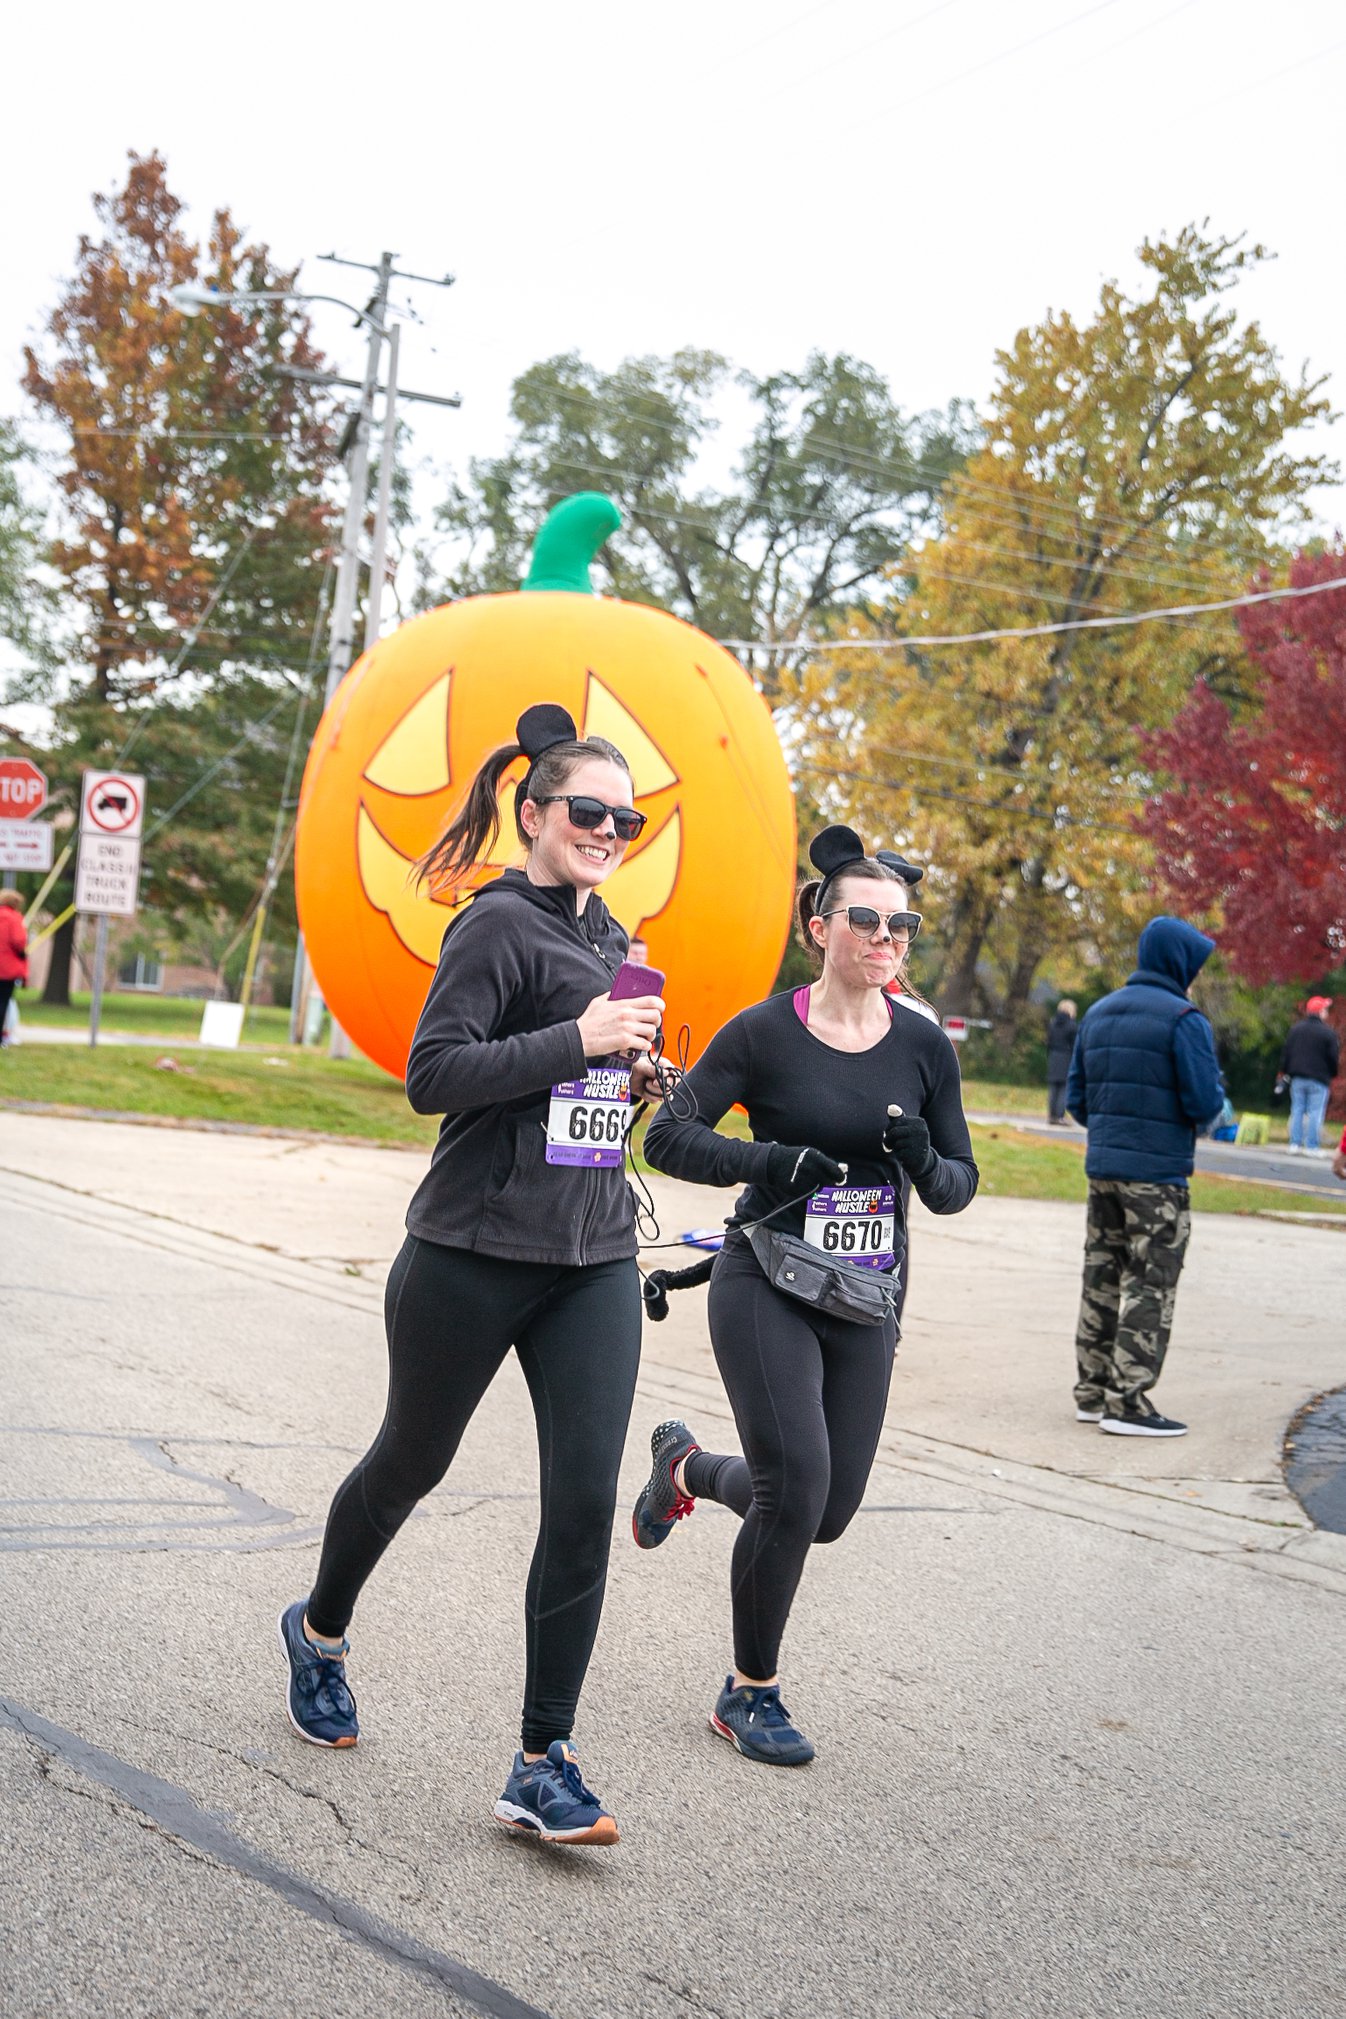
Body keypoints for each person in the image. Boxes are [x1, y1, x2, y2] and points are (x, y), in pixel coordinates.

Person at [278, 703, 668, 1847]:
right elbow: (433, 1073)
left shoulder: (611, 937)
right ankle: (321, 1630)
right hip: (469, 1252)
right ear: (533, 813)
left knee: (584, 1501)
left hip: (592, 1254)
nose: (606, 828)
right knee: (411, 1461)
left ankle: (541, 1761)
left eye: (623, 816)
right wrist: (580, 1044)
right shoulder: (493, 924)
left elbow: (575, 1082)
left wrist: (635, 1072)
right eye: (586, 811)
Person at [635, 826, 978, 1766]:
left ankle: (688, 1469)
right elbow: (668, 1137)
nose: (886, 936)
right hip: (764, 1279)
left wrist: (921, 1161)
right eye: (865, 919)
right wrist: (771, 1158)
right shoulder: (763, 1032)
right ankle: (751, 1692)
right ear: (819, 925)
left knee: (825, 1510)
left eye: (901, 923)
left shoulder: (922, 1047)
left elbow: (957, 1184)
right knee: (795, 1489)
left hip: (867, 1292)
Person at [1065, 917, 1224, 1439]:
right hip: (1158, 1177)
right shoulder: (1185, 1020)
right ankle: (1127, 1402)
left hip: (1104, 1171)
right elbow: (1204, 1102)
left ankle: (1091, 1393)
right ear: (1178, 963)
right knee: (1149, 1283)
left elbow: (1077, 1101)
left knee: (1102, 1275)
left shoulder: (1099, 1013)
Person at [1280, 997, 1339, 1155]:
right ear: (1320, 1012)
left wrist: (1285, 1072)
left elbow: (1286, 1054)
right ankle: (1312, 1146)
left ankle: (1295, 1143)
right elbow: (1333, 1058)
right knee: (1315, 1112)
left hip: (1297, 1077)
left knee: (1297, 1110)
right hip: (1319, 1079)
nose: (1326, 1012)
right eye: (1325, 1009)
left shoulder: (1296, 1030)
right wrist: (1332, 1073)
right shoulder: (1328, 1033)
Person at [0, 890, 28, 1045]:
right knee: (4, 1001)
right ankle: (2, 1035)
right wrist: (23, 953)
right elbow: (19, 941)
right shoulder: (14, 919)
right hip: (6, 969)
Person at [1046, 1000, 1078, 1123]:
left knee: (1053, 1088)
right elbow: (1075, 1044)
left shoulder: (1052, 1023)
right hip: (1066, 1057)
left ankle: (1051, 1115)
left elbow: (1049, 1042)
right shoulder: (1072, 1025)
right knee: (1063, 1088)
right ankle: (1060, 1116)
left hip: (1053, 1056)